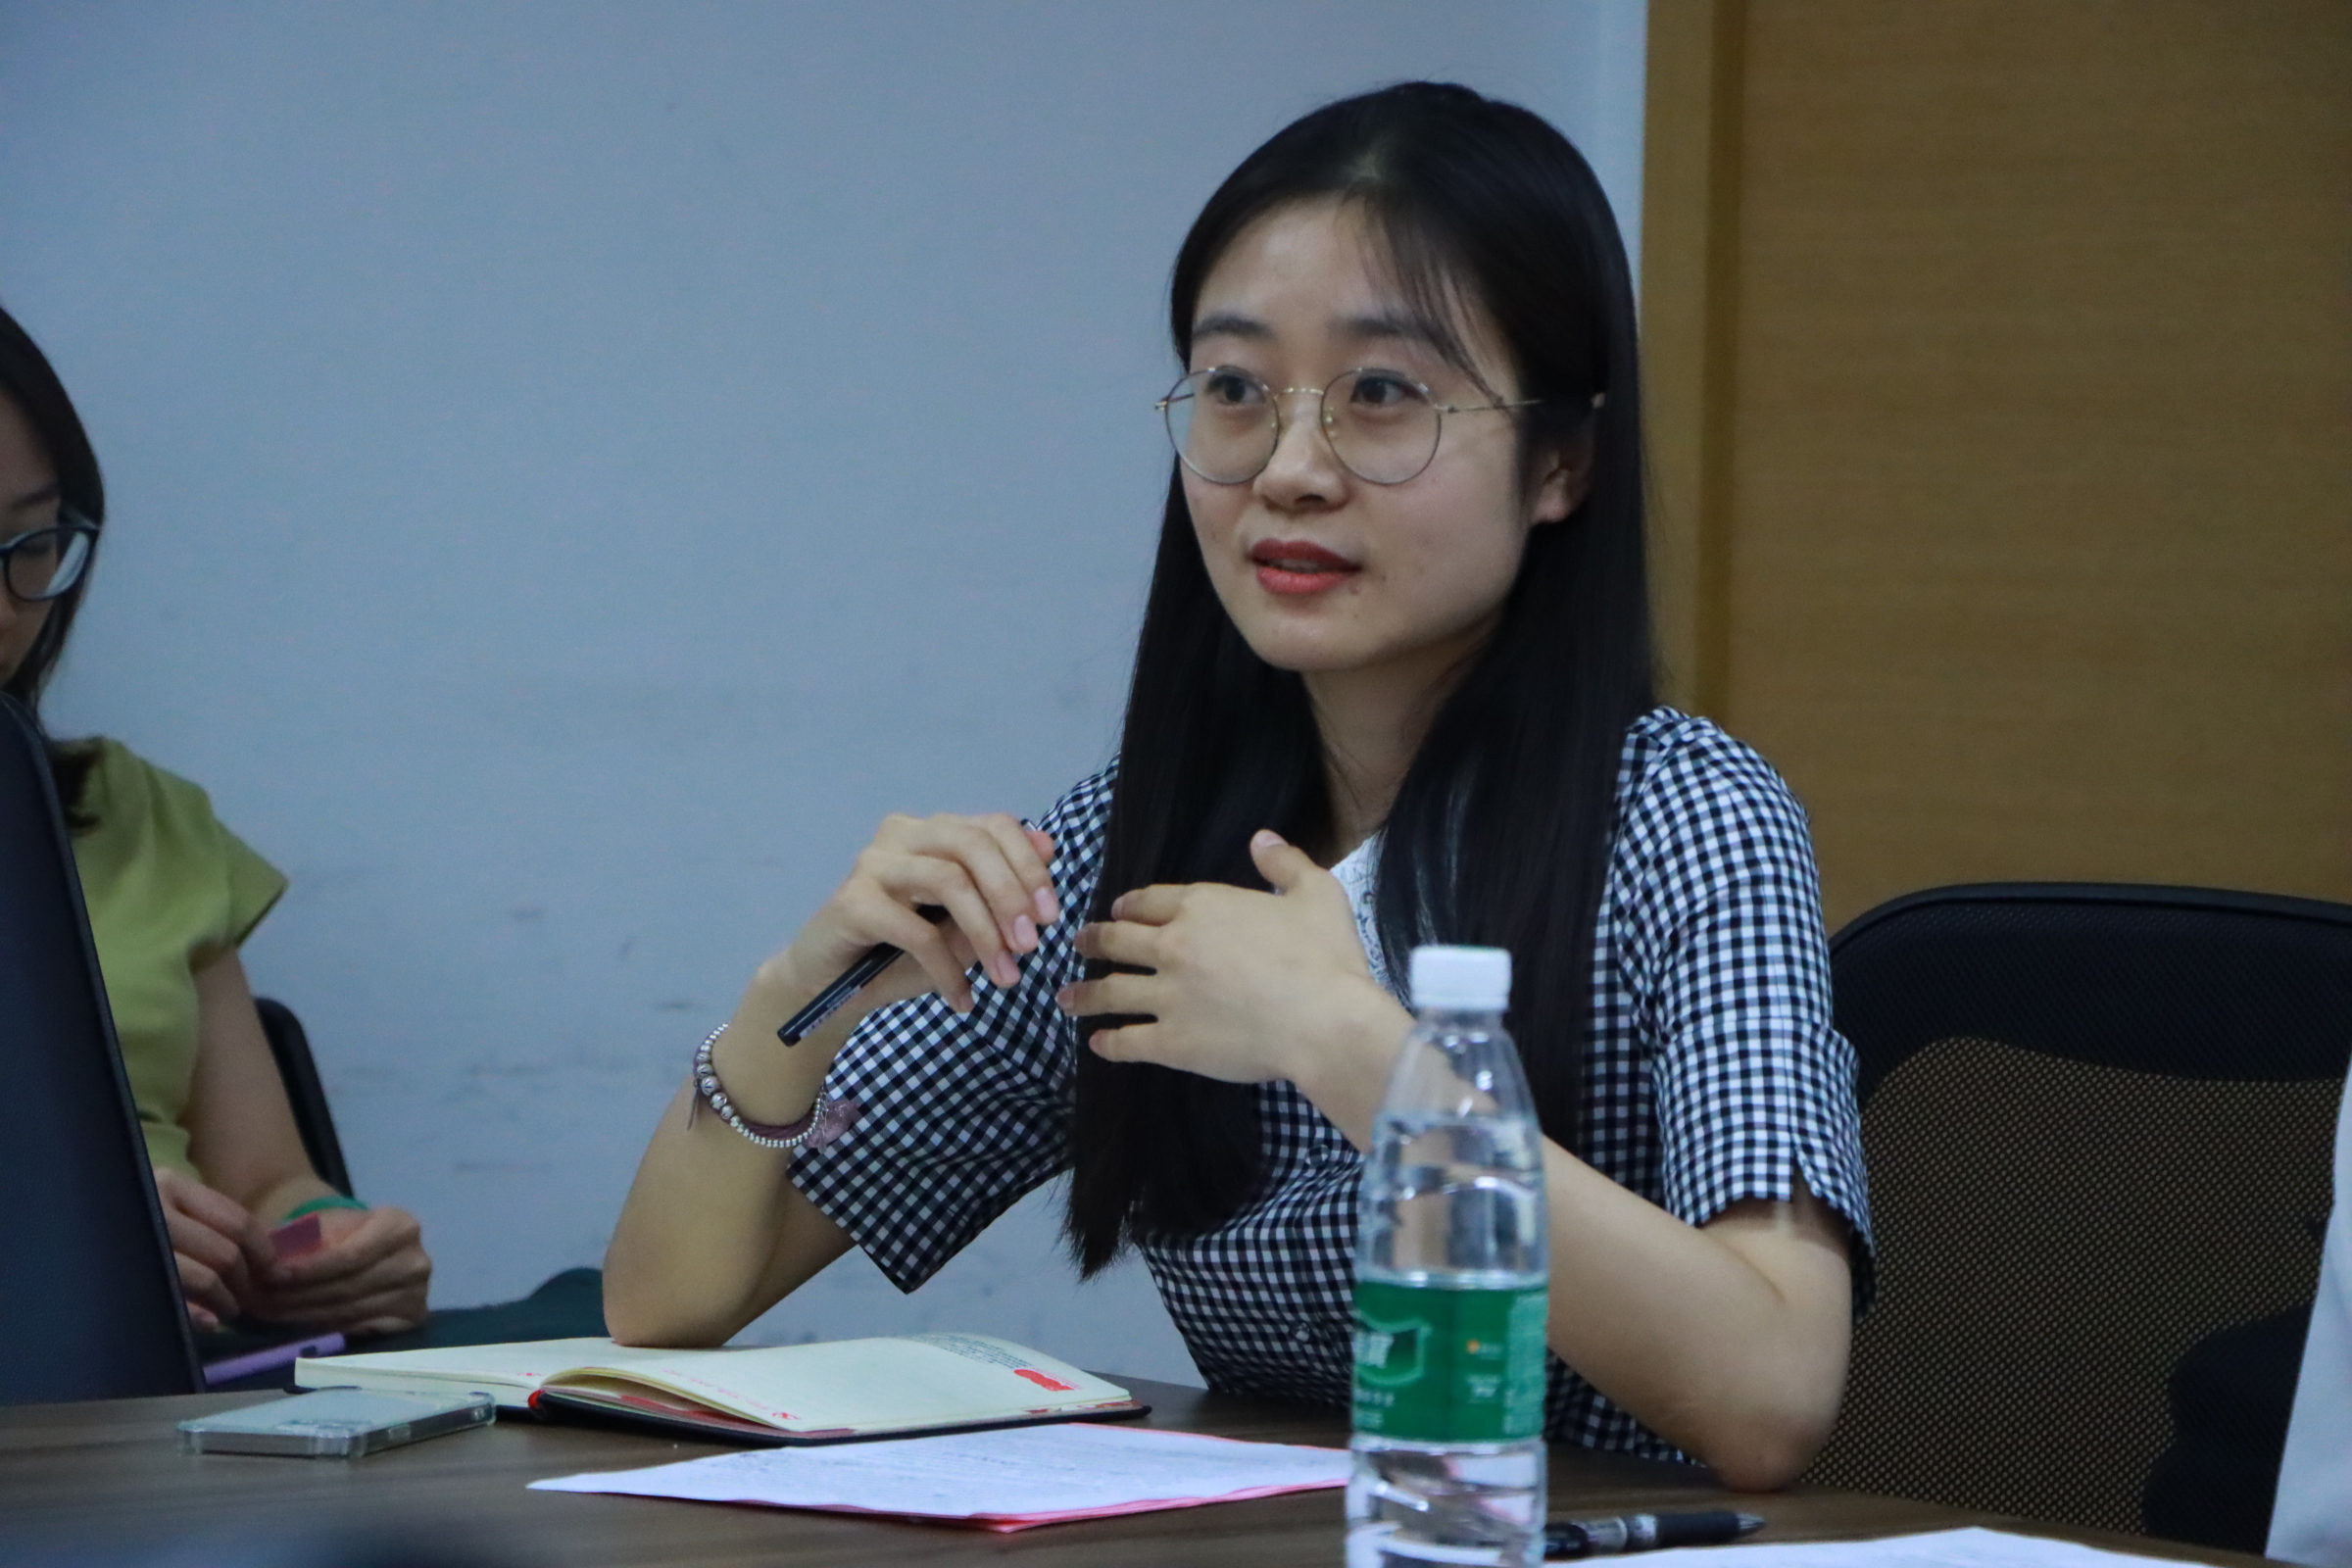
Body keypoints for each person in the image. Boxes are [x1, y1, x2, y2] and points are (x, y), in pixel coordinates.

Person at [606, 82, 1873, 1489]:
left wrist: (1348, 1046)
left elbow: (1771, 1390)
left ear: (1561, 460)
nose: (1292, 468)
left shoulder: (1686, 818)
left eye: (1382, 394)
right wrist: (793, 998)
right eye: (1235, 391)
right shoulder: (1142, 849)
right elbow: (668, 1307)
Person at [0, 302, 432, 1339]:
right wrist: (63, 1232)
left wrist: (328, 1245)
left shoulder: (134, 816)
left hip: (174, 1384)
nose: (8, 608)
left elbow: (271, 1184)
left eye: (32, 540)